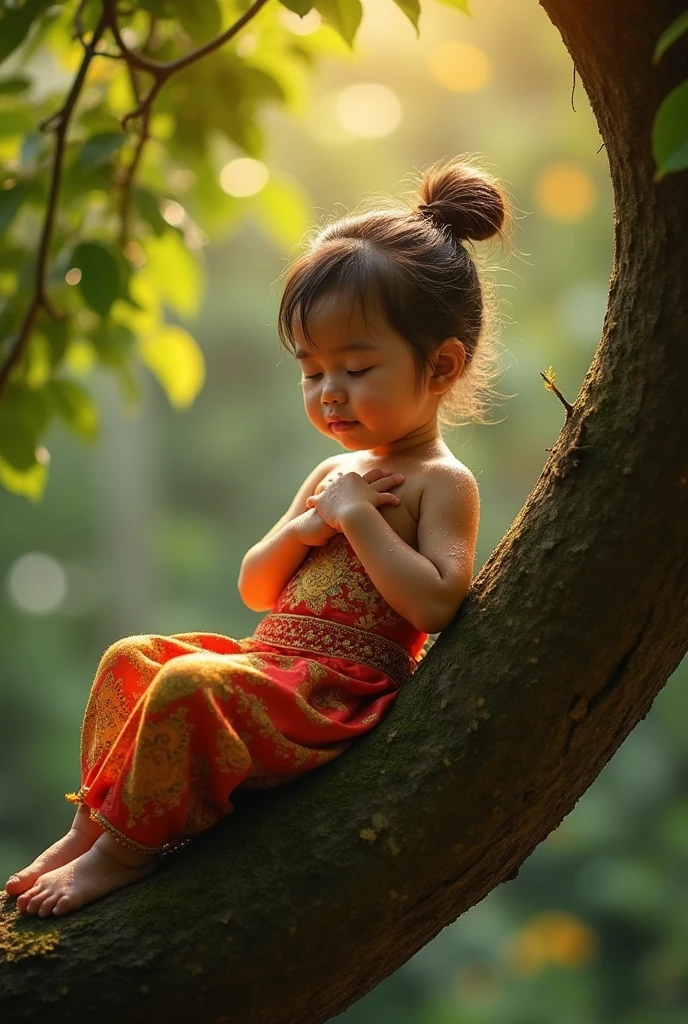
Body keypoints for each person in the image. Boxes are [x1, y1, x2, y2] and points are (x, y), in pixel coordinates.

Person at [5, 154, 514, 917]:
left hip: (336, 696)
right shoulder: (335, 472)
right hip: (273, 665)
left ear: (440, 365)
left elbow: (439, 603)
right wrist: (309, 523)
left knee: (184, 688)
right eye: (311, 372)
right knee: (132, 660)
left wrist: (354, 519)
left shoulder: (443, 483)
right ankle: (91, 825)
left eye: (355, 367)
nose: (329, 392)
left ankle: (125, 852)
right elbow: (256, 585)